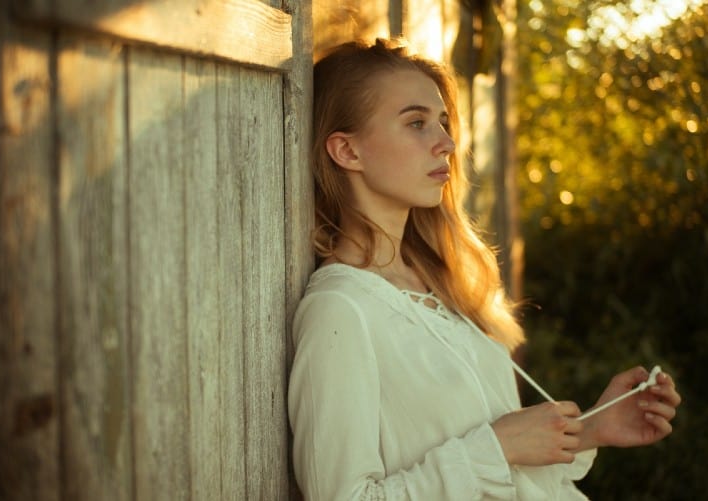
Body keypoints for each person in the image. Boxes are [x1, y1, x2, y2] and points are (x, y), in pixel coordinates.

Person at [287, 38, 681, 500]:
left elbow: (501, 473)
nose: (447, 144)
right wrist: (498, 448)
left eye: (443, 123)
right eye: (416, 123)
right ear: (347, 152)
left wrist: (590, 429)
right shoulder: (340, 309)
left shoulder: (439, 287)